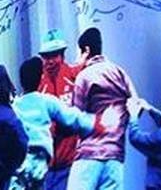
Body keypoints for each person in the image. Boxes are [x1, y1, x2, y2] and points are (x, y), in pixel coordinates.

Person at [11, 56, 99, 190]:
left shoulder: (15, 106)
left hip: (21, 165)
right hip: (41, 165)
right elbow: (72, 118)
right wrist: (95, 122)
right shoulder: (46, 101)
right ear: (41, 78)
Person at [68, 28, 134, 190]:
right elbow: (134, 105)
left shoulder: (84, 76)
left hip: (89, 156)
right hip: (115, 157)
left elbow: (77, 119)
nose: (77, 58)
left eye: (78, 53)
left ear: (86, 50)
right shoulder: (120, 73)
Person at [37, 29, 86, 190]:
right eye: (46, 57)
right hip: (45, 169)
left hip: (70, 164)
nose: (49, 61)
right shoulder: (37, 85)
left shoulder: (75, 77)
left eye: (54, 56)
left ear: (62, 55)